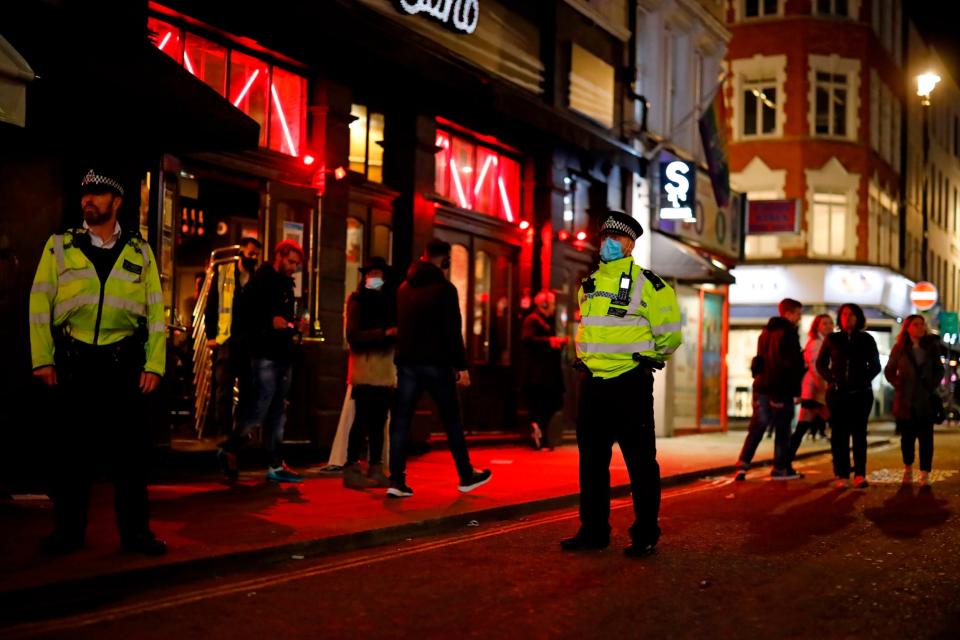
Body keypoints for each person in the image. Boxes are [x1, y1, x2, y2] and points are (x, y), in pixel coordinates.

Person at [29, 167, 167, 556]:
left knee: (130, 460)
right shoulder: (60, 245)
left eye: (98, 193)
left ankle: (136, 535)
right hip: (75, 362)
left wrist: (154, 363)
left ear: (117, 201)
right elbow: (39, 304)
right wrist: (43, 358)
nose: (87, 199)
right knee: (71, 457)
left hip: (122, 364)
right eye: (84, 194)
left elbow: (156, 312)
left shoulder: (140, 252)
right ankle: (68, 534)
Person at [561, 211, 682, 558]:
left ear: (630, 245)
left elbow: (671, 333)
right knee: (592, 464)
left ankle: (646, 532)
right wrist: (584, 357)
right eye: (605, 238)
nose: (609, 244)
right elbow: (589, 329)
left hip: (630, 383)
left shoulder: (650, 284)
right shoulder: (590, 284)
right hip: (594, 384)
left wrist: (649, 356)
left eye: (617, 239)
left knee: (641, 463)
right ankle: (594, 530)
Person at [389, 239, 492, 498]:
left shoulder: (403, 288)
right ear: (444, 258)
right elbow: (452, 331)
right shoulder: (445, 289)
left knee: (401, 422)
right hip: (436, 364)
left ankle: (396, 480)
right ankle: (466, 475)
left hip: (408, 364)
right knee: (452, 421)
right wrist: (462, 366)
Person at [218, 240, 307, 483]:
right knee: (260, 409)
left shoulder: (285, 284)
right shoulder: (261, 281)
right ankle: (231, 448)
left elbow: (282, 319)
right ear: (278, 256)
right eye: (290, 262)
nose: (293, 268)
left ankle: (275, 463)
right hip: (265, 355)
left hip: (281, 353)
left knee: (277, 411)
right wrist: (271, 322)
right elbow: (246, 317)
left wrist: (295, 325)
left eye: (297, 264)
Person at [734, 298, 806, 481]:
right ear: (789, 313)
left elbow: (761, 360)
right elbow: (787, 364)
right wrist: (794, 391)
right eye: (798, 313)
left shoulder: (765, 332)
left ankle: (743, 464)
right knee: (783, 428)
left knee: (758, 426)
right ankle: (780, 468)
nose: (799, 317)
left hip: (762, 386)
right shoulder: (788, 333)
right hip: (779, 387)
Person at [343, 257, 397, 489]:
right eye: (371, 273)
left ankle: (376, 466)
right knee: (362, 418)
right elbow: (353, 335)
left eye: (378, 273)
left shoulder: (390, 301)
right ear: (364, 276)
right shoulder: (357, 301)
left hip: (384, 368)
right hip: (366, 367)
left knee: (379, 420)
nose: (374, 278)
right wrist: (384, 334)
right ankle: (352, 465)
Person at [817, 303, 881, 489]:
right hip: (837, 395)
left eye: (852, 314)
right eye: (844, 314)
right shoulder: (832, 338)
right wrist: (831, 379)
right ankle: (842, 474)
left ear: (858, 318)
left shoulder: (866, 339)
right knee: (839, 435)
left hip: (860, 395)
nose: (847, 317)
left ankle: (860, 474)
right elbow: (821, 364)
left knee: (859, 435)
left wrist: (863, 381)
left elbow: (875, 365)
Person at [207, 238, 261, 456]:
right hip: (226, 338)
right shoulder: (224, 272)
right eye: (251, 253)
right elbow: (212, 305)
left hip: (248, 342)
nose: (254, 257)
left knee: (248, 391)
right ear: (241, 253)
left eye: (257, 254)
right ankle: (224, 432)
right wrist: (211, 335)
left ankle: (239, 431)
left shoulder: (256, 279)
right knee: (224, 389)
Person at [884, 315, 941, 486]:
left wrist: (930, 385)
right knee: (907, 439)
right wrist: (898, 383)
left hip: (925, 400)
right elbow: (889, 370)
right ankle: (908, 468)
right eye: (916, 324)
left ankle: (925, 474)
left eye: (922, 324)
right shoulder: (899, 348)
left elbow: (938, 369)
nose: (920, 327)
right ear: (908, 327)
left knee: (926, 440)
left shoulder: (932, 347)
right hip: (906, 401)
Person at [521, 291, 567, 450]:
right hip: (540, 374)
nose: (554, 307)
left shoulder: (548, 320)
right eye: (552, 303)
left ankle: (542, 433)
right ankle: (538, 432)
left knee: (552, 403)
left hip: (548, 373)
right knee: (542, 404)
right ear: (544, 304)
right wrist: (550, 341)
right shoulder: (532, 319)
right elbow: (527, 339)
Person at [789, 313, 834, 457]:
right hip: (814, 392)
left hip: (817, 393)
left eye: (830, 323)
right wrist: (830, 383)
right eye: (824, 323)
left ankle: (784, 462)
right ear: (817, 327)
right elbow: (816, 368)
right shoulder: (816, 343)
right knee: (836, 426)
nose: (828, 326)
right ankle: (841, 464)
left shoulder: (826, 342)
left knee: (802, 428)